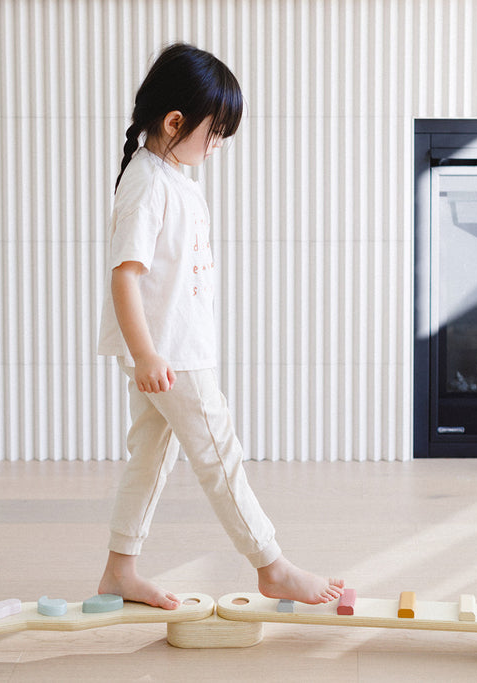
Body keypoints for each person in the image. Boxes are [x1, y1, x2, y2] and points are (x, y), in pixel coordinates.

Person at [96, 43, 344, 610]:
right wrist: (148, 354)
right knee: (219, 454)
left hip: (173, 350)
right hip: (171, 355)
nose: (218, 144)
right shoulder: (148, 183)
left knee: (150, 457)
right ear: (175, 121)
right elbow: (124, 278)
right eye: (214, 132)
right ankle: (272, 564)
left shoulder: (173, 175)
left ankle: (118, 570)